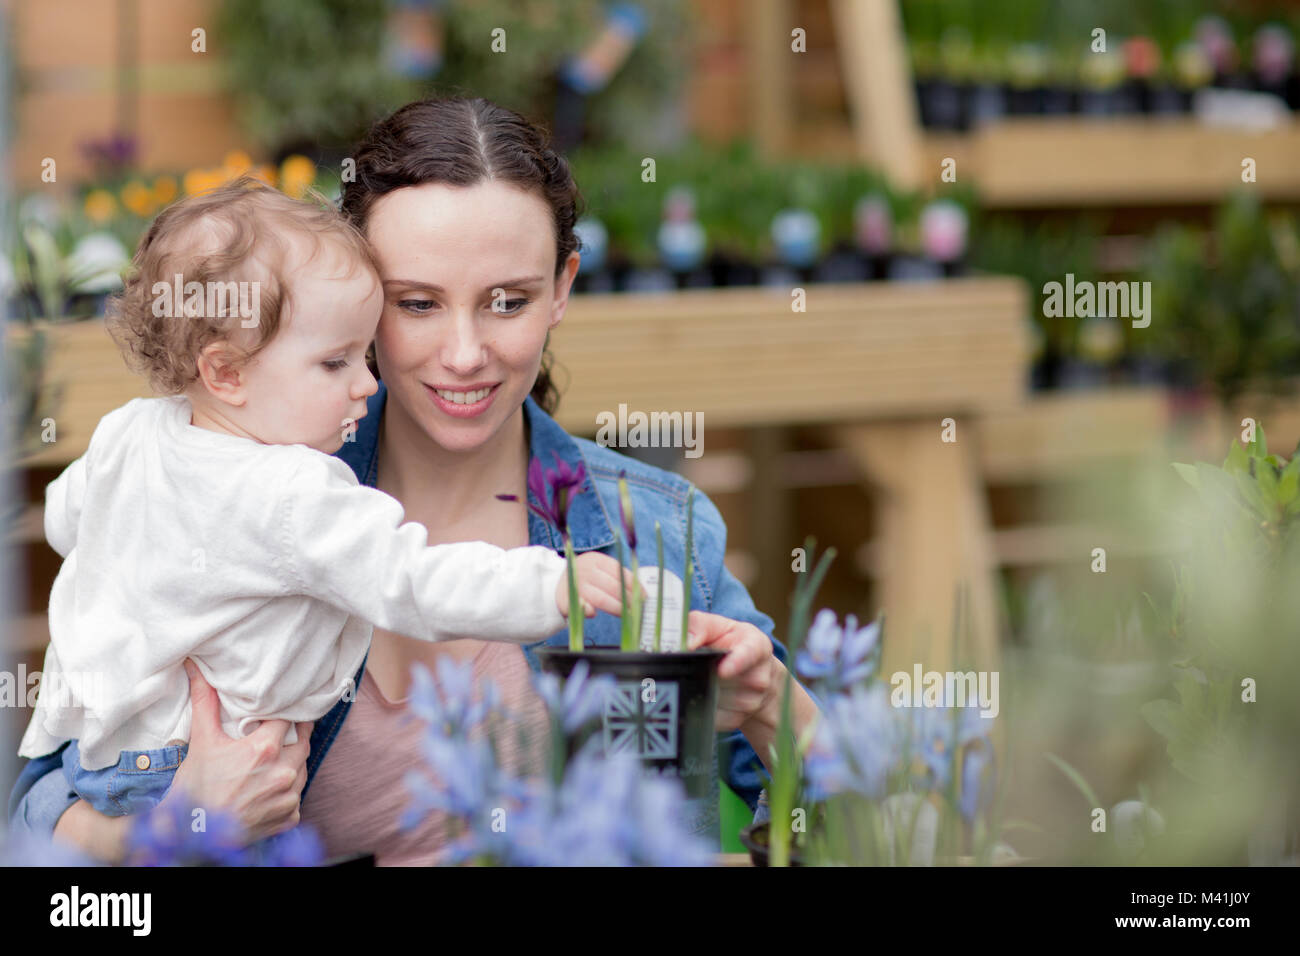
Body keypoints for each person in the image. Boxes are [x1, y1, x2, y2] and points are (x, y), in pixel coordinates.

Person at [8, 96, 821, 865]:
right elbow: (37, 812)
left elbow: (856, 826)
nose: (465, 353)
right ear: (352, 300)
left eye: (507, 301)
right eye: (418, 304)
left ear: (563, 288)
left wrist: (775, 711)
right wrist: (170, 822)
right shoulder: (235, 502)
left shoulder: (653, 528)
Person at [17, 178, 632, 825]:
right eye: (335, 363)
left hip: (101, 758)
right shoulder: (297, 491)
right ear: (226, 372)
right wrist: (549, 585)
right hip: (213, 764)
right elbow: (413, 579)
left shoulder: (131, 430)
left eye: (363, 355)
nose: (367, 384)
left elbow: (65, 520)